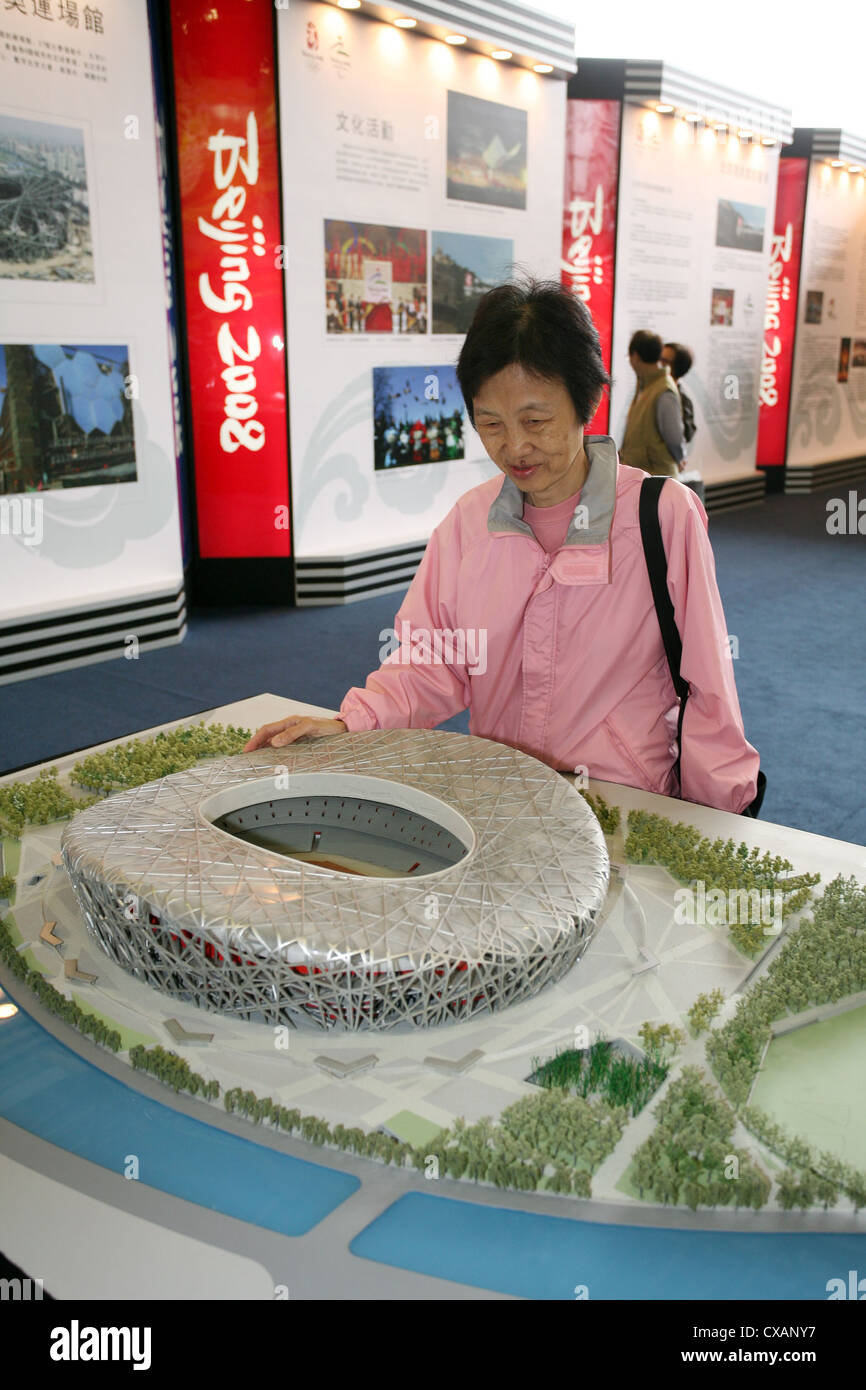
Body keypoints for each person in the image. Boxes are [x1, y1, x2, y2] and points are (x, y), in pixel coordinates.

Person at [247, 279, 759, 814]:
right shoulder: (471, 522)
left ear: (587, 401)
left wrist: (718, 821)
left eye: (535, 421)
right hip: (502, 800)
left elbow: (708, 685)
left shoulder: (660, 516)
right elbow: (431, 660)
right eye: (490, 424)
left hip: (622, 807)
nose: (515, 446)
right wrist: (348, 722)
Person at [621, 330, 684, 476]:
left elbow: (674, 438)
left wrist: (680, 458)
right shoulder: (646, 385)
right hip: (643, 477)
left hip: (657, 480)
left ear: (635, 357)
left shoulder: (663, 390)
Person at [661, 342, 697, 450]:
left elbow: (685, 436)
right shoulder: (649, 391)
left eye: (664, 361)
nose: (658, 364)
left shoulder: (682, 400)